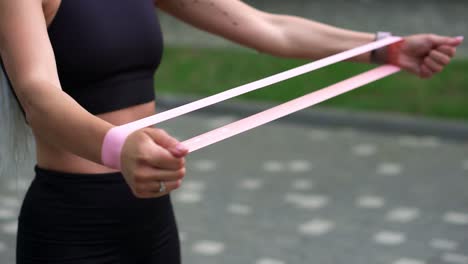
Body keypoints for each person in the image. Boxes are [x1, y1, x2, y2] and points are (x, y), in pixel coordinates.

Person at [0, 0, 462, 263]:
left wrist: (384, 48)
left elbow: (266, 26)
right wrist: (118, 147)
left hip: (150, 218)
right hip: (72, 228)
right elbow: (39, 97)